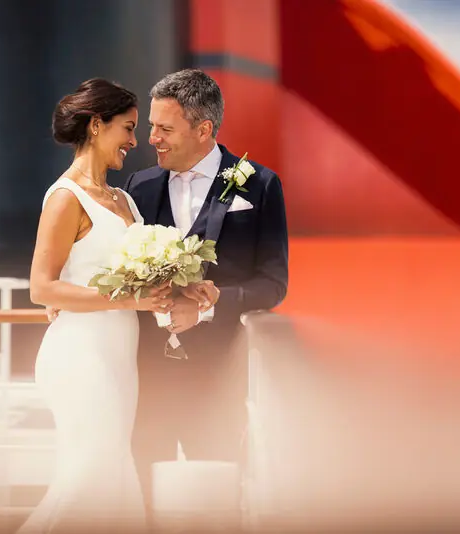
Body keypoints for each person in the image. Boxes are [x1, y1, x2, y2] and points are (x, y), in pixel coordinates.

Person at [125, 68, 289, 520]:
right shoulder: (139, 186)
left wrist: (214, 304)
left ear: (203, 130)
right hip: (147, 374)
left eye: (165, 128)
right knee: (143, 494)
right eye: (151, 126)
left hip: (218, 375)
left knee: (217, 499)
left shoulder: (259, 185)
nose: (152, 138)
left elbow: (273, 283)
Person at [19, 78, 181, 533]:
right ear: (95, 126)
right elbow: (41, 288)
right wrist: (130, 297)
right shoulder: (65, 197)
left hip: (119, 356)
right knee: (87, 479)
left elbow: (124, 278)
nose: (135, 140)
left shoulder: (123, 199)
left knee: (114, 479)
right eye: (127, 128)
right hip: (81, 357)